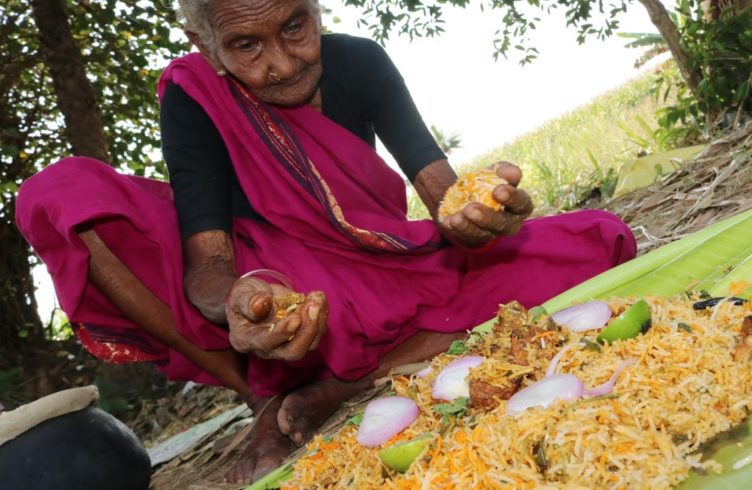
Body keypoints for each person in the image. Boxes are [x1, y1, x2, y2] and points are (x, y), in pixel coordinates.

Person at [15, 0, 636, 484]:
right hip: (267, 287)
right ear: (204, 47)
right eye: (245, 46)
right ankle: (259, 393)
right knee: (61, 195)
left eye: (293, 27)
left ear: (316, 10)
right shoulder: (194, 96)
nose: (280, 64)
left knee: (594, 239)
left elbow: (443, 196)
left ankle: (343, 383)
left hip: (373, 264)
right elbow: (207, 269)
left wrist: (479, 214)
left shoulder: (361, 62)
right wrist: (241, 306)